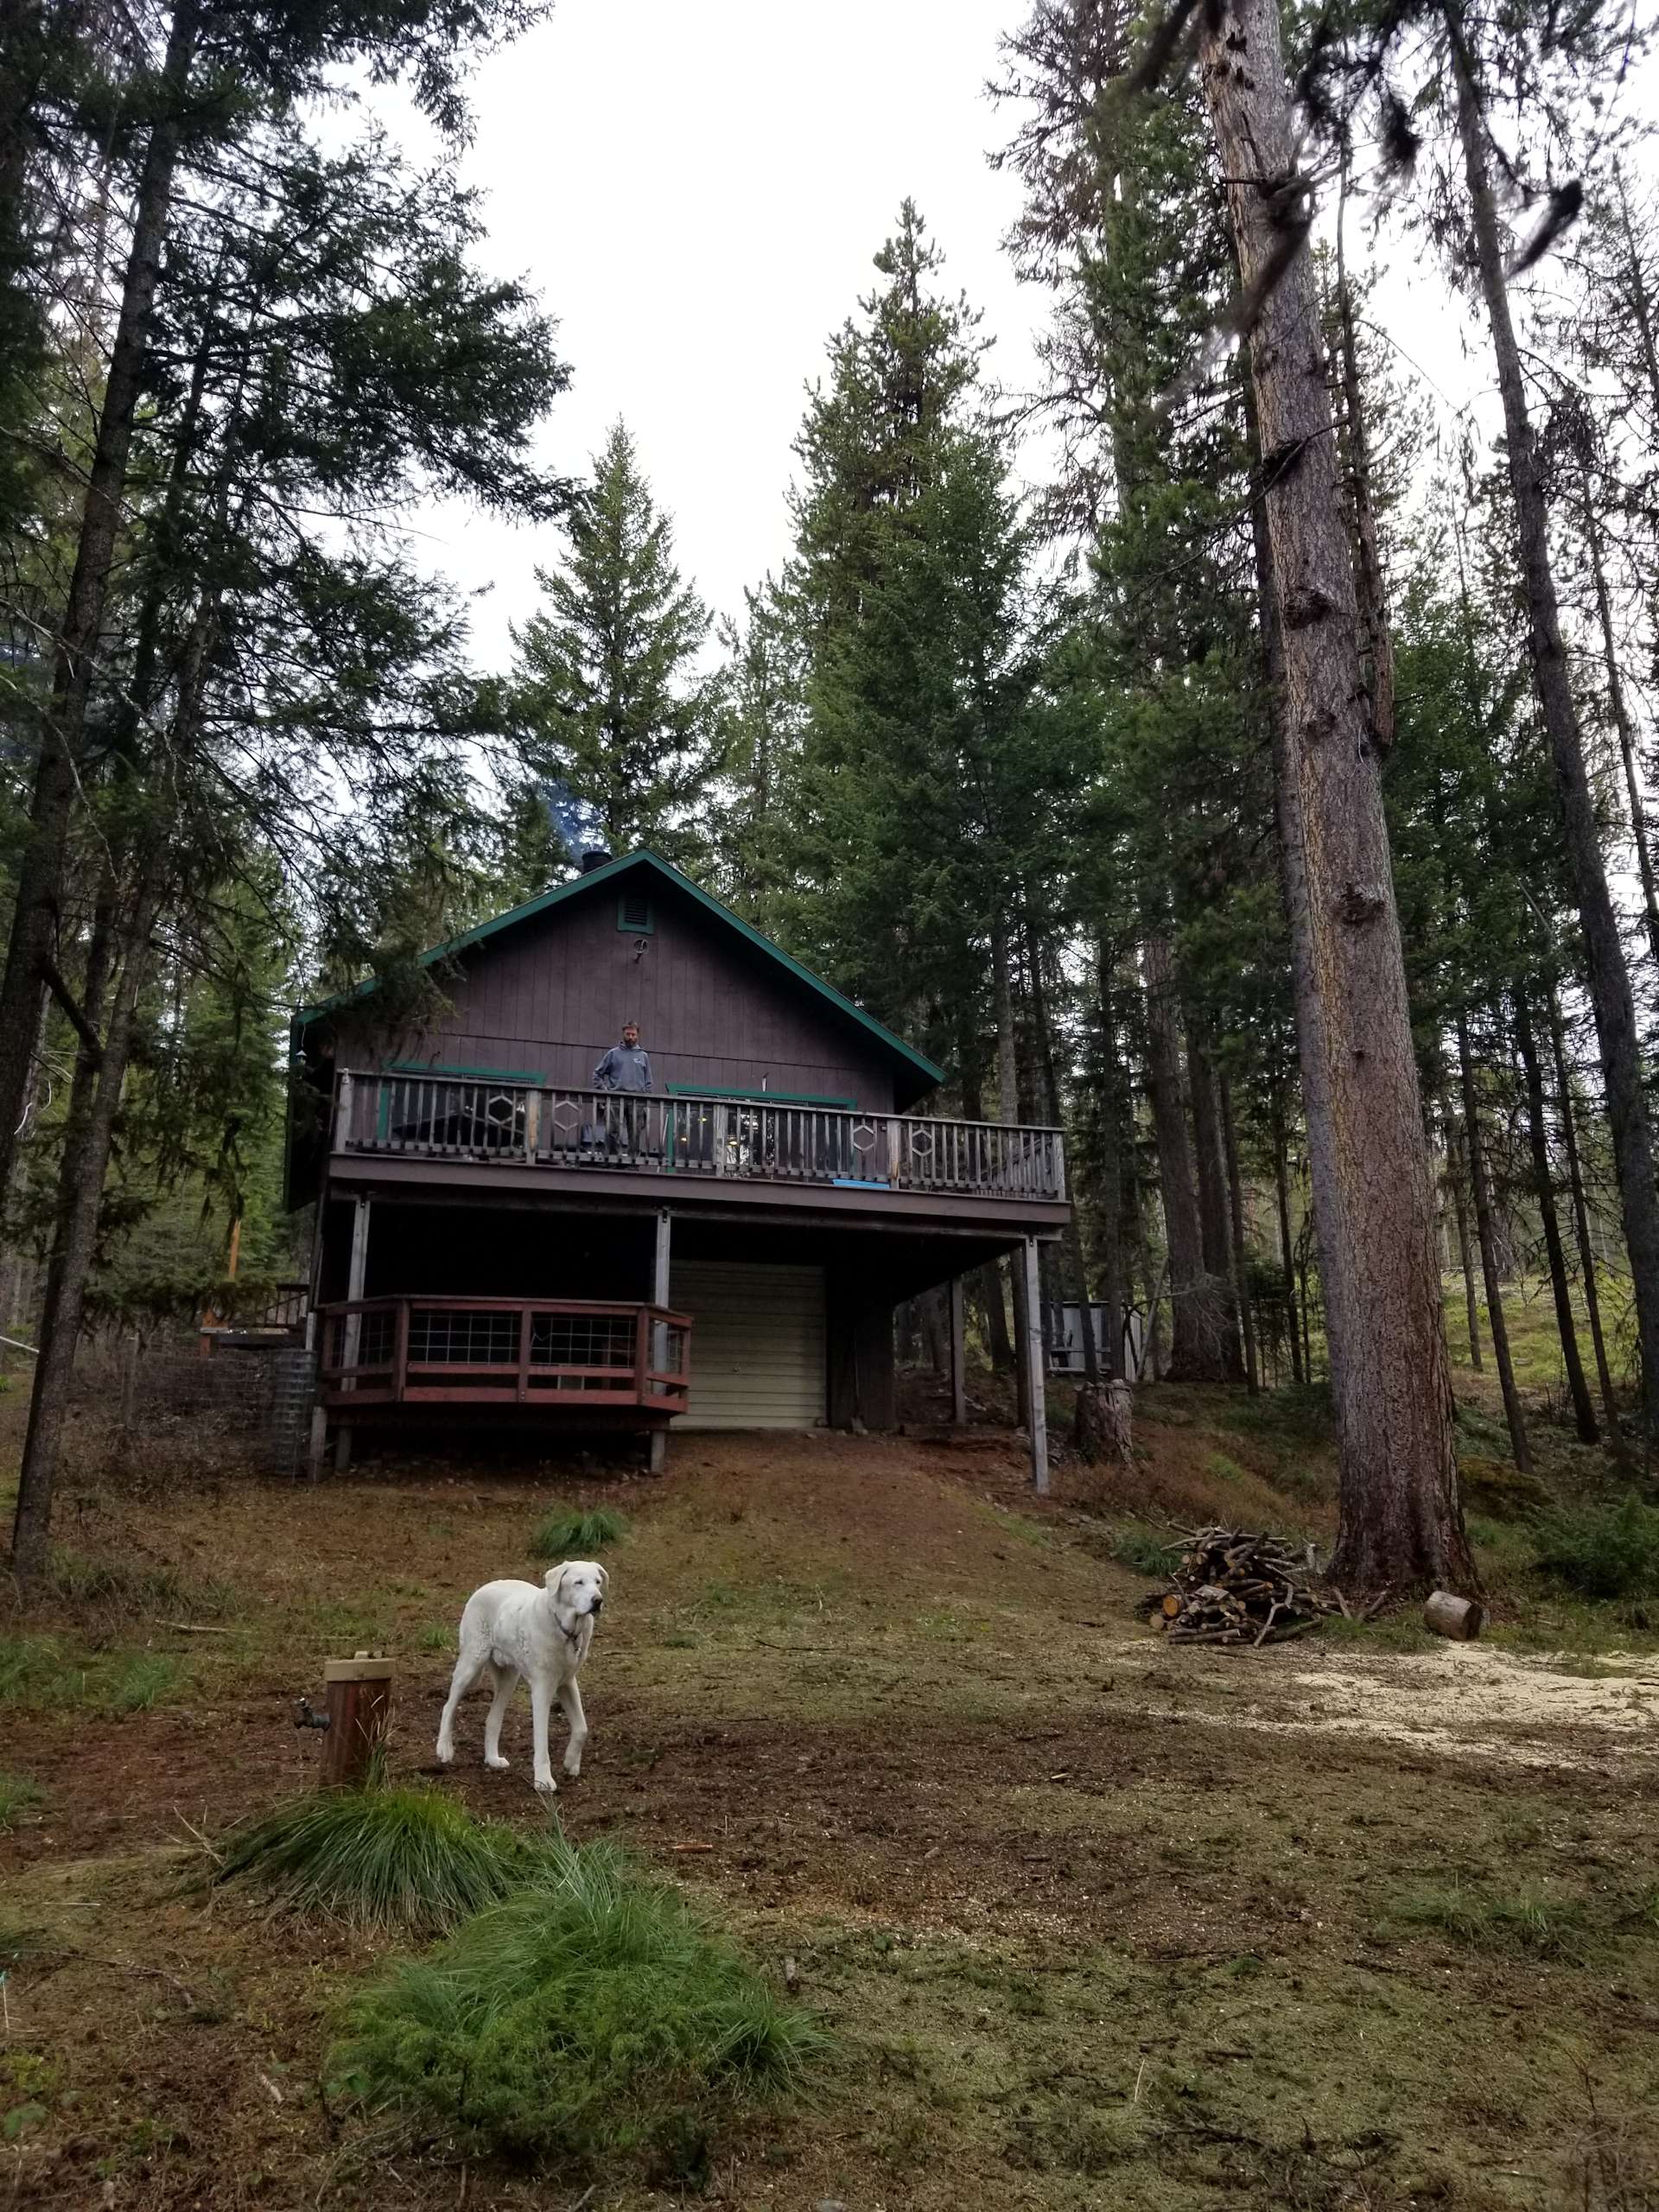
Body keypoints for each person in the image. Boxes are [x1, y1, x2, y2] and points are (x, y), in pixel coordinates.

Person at [592, 1023, 653, 1157]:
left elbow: (649, 1082)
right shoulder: (613, 1054)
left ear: (637, 1036)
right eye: (628, 1034)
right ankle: (612, 1159)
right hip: (615, 1097)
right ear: (623, 1034)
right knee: (612, 1130)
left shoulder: (643, 1056)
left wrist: (645, 1097)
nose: (630, 1037)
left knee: (635, 1132)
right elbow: (597, 1075)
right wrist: (605, 1090)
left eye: (633, 1034)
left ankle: (633, 1162)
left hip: (637, 1100)